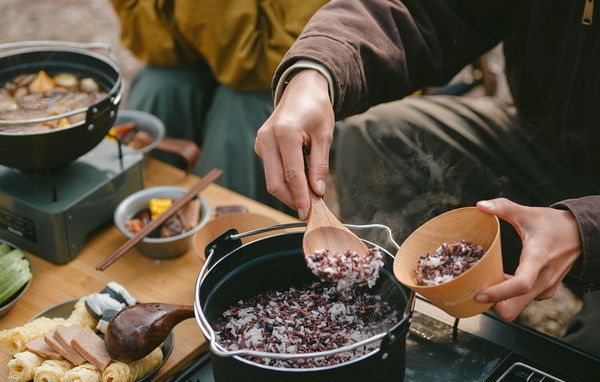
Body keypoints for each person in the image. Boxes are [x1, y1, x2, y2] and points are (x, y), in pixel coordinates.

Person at [254, 0, 600, 355]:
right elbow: (424, 10)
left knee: (584, 363)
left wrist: (584, 227)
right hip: (540, 142)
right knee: (376, 135)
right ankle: (382, 310)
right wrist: (317, 71)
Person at [110, 0, 326, 208]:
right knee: (159, 86)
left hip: (266, 76)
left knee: (242, 113)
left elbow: (264, 61)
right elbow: (146, 35)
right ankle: (122, 207)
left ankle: (227, 231)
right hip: (198, 51)